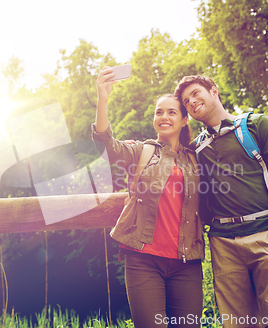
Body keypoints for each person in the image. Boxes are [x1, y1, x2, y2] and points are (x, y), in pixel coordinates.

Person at [174, 75, 268, 328]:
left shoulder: (256, 125)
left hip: (267, 236)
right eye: (186, 101)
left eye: (196, 93)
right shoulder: (195, 149)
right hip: (223, 245)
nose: (192, 101)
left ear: (214, 92)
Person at [93, 67, 204, 327]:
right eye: (159, 112)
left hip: (186, 263)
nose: (164, 117)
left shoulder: (196, 156)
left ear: (184, 120)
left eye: (172, 112)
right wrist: (103, 99)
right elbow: (107, 146)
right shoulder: (142, 151)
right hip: (143, 259)